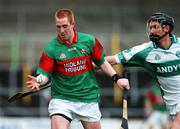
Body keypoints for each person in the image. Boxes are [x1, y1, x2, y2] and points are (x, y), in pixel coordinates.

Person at [26, 8, 129, 129]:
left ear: (73, 24)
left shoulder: (88, 41)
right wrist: (38, 81)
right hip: (62, 100)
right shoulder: (51, 48)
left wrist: (117, 78)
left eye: (65, 26)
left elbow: (102, 63)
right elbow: (45, 75)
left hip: (87, 99)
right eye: (58, 27)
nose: (61, 31)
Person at [106, 12, 180, 129]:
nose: (151, 31)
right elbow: (111, 60)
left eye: (155, 27)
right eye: (150, 28)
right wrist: (87, 62)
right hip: (172, 108)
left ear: (167, 28)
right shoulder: (145, 51)